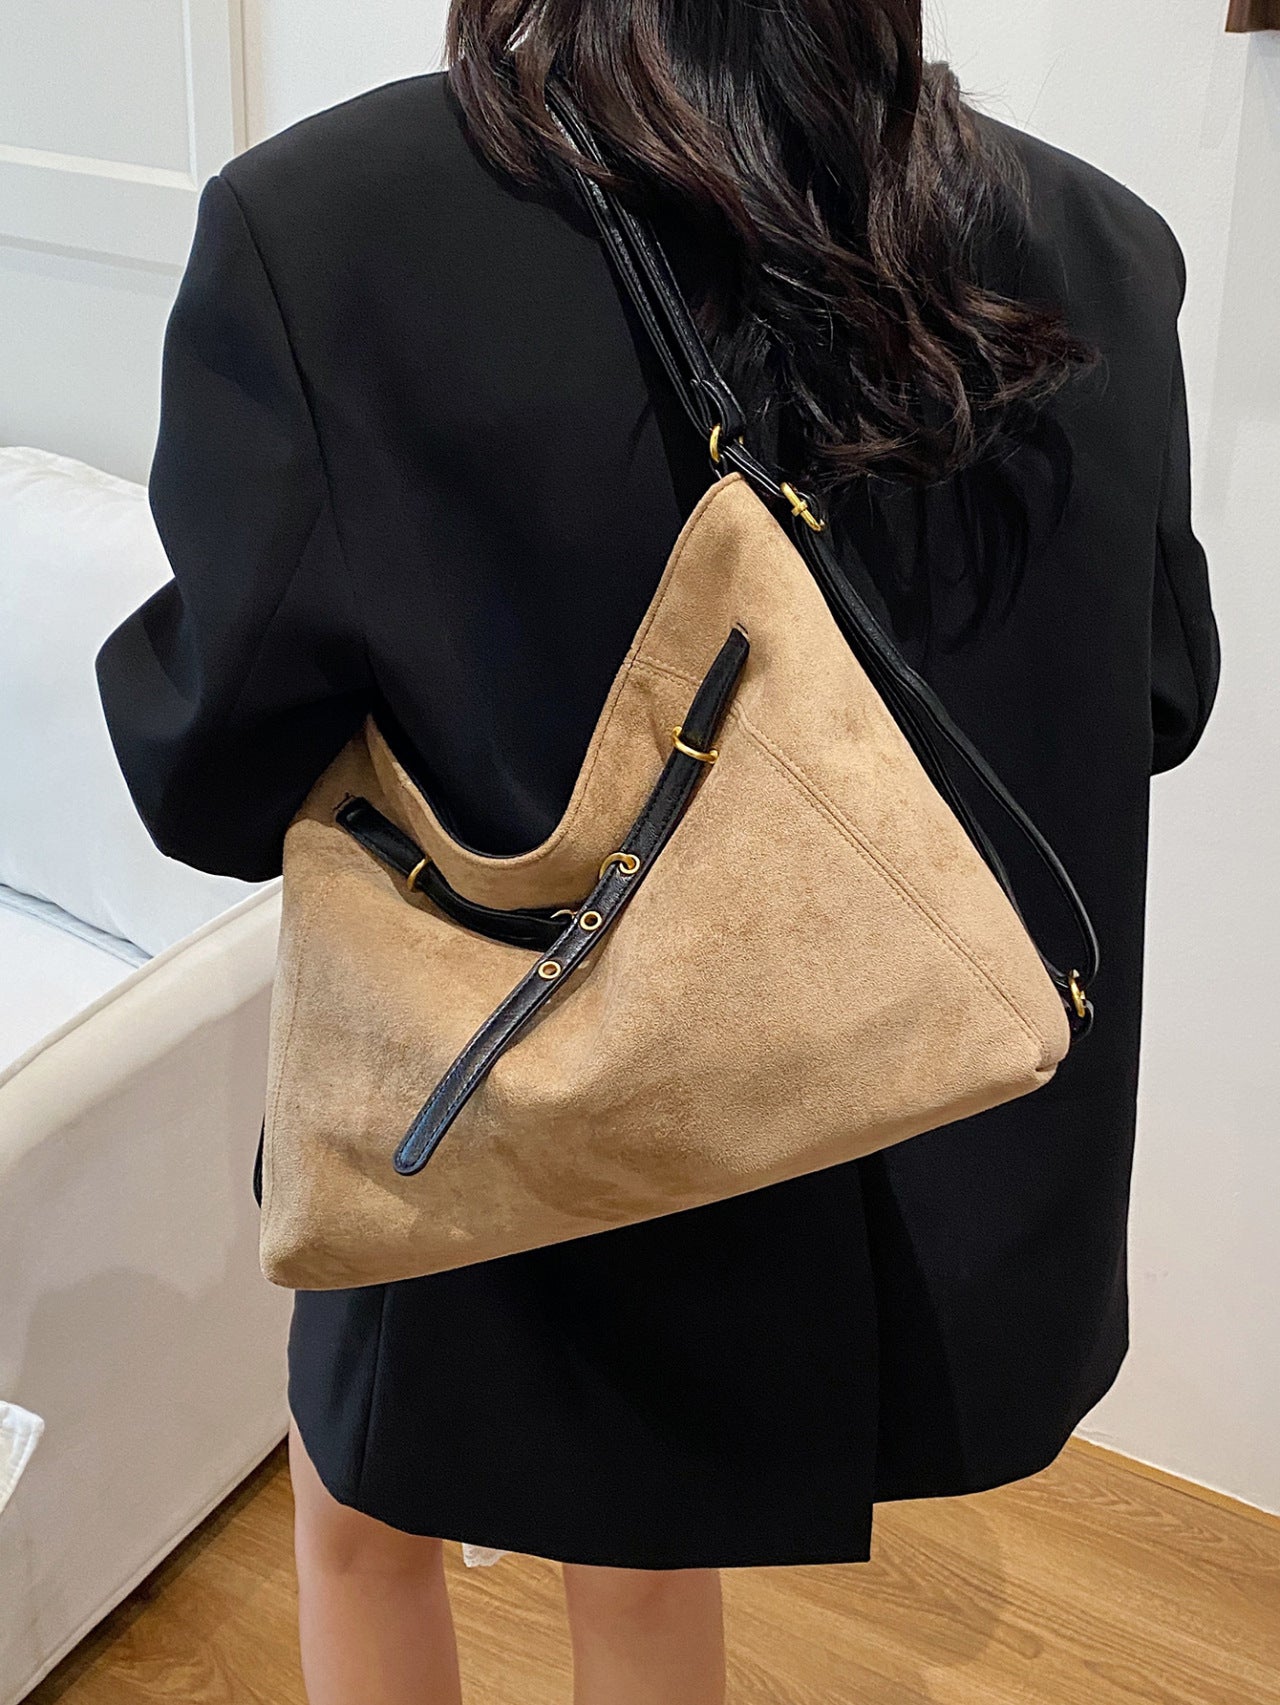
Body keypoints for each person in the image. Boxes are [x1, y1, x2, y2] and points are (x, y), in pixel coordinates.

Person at [95, 2, 1219, 1701]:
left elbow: (211, 773)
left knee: (358, 1522)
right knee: (641, 1550)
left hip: (502, 1103)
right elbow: (1157, 695)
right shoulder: (1093, 246)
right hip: (887, 1146)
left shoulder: (322, 227)